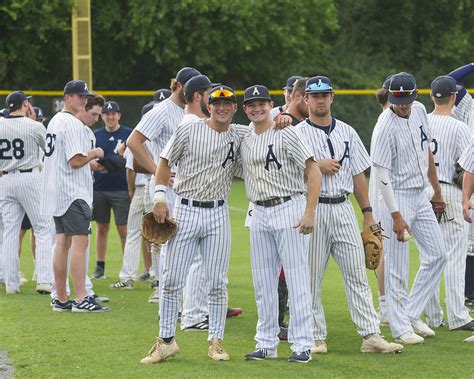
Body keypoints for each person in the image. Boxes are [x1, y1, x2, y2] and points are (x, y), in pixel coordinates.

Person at [140, 85, 248, 364]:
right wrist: (160, 197)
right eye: (216, 103)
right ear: (208, 106)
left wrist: (282, 118)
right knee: (172, 279)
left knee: (217, 282)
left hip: (218, 213)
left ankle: (216, 341)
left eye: (227, 104)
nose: (222, 108)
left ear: (235, 108)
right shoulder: (189, 129)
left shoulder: (240, 134)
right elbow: (164, 162)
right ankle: (165, 341)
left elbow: (267, 127)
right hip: (186, 209)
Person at [297, 76, 403, 354]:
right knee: (310, 277)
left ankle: (371, 335)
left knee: (357, 273)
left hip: (343, 207)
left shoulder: (347, 131)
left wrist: (367, 214)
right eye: (315, 96)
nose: (320, 100)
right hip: (313, 209)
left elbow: (358, 174)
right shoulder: (296, 134)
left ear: (332, 98)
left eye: (325, 95)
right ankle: (315, 336)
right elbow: (287, 170)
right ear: (305, 100)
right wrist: (315, 165)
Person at [240, 85, 321, 363]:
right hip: (259, 212)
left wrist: (309, 212)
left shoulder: (287, 131)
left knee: (297, 278)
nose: (256, 108)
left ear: (271, 104)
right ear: (245, 109)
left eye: (261, 103)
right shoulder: (244, 136)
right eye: (251, 104)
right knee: (263, 281)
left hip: (289, 206)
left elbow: (313, 169)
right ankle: (266, 342)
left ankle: (302, 344)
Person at [371, 72, 447, 344]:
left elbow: (426, 150)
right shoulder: (384, 125)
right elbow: (381, 173)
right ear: (391, 96)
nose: (402, 104)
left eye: (407, 99)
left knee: (438, 254)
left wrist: (435, 190)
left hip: (419, 193)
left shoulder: (419, 111)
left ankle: (411, 313)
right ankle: (400, 328)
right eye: (397, 100)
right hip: (396, 196)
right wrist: (395, 215)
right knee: (396, 267)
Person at [127, 67, 201, 302]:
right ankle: (168, 296)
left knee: (194, 245)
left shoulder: (194, 109)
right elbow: (134, 141)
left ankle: (196, 300)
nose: (194, 94)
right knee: (170, 243)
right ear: (178, 85)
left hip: (190, 184)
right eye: (190, 88)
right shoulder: (162, 111)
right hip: (167, 186)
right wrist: (157, 171)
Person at [41, 80, 108, 312]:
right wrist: (95, 153)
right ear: (67, 97)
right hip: (72, 192)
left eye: (85, 96)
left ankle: (60, 298)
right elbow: (75, 160)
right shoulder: (70, 123)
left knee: (62, 242)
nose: (83, 100)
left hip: (56, 190)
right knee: (80, 242)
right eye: (79, 96)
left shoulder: (55, 121)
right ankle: (81, 298)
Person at [423, 76, 474, 331]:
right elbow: (467, 168)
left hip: (423, 193)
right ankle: (458, 316)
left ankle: (432, 316)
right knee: (454, 256)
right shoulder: (460, 128)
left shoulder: (420, 123)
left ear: (432, 96)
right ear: (454, 97)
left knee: (429, 255)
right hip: (451, 192)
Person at [0, 91, 53, 294]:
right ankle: (44, 279)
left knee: (10, 233)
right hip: (30, 177)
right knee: (42, 228)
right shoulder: (35, 126)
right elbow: (48, 151)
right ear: (24, 104)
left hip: (6, 178)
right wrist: (33, 122)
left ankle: (11, 285)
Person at [91, 101, 133, 279]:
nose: (110, 117)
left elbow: (130, 158)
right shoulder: (95, 135)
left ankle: (127, 267)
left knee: (124, 229)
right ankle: (100, 267)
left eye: (113, 113)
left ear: (119, 115)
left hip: (121, 187)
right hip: (100, 187)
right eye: (107, 114)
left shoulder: (127, 134)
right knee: (102, 228)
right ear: (102, 116)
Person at [448, 63, 474, 311]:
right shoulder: (470, 104)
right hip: (469, 177)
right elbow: (449, 79)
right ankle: (468, 294)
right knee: (468, 241)